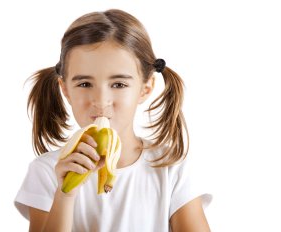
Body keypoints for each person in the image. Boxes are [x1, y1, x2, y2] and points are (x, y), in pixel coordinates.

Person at [14, 9, 212, 232]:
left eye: (118, 84)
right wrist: (65, 195)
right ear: (65, 90)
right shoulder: (47, 172)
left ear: (145, 88)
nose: (100, 101)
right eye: (84, 84)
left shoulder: (171, 168)